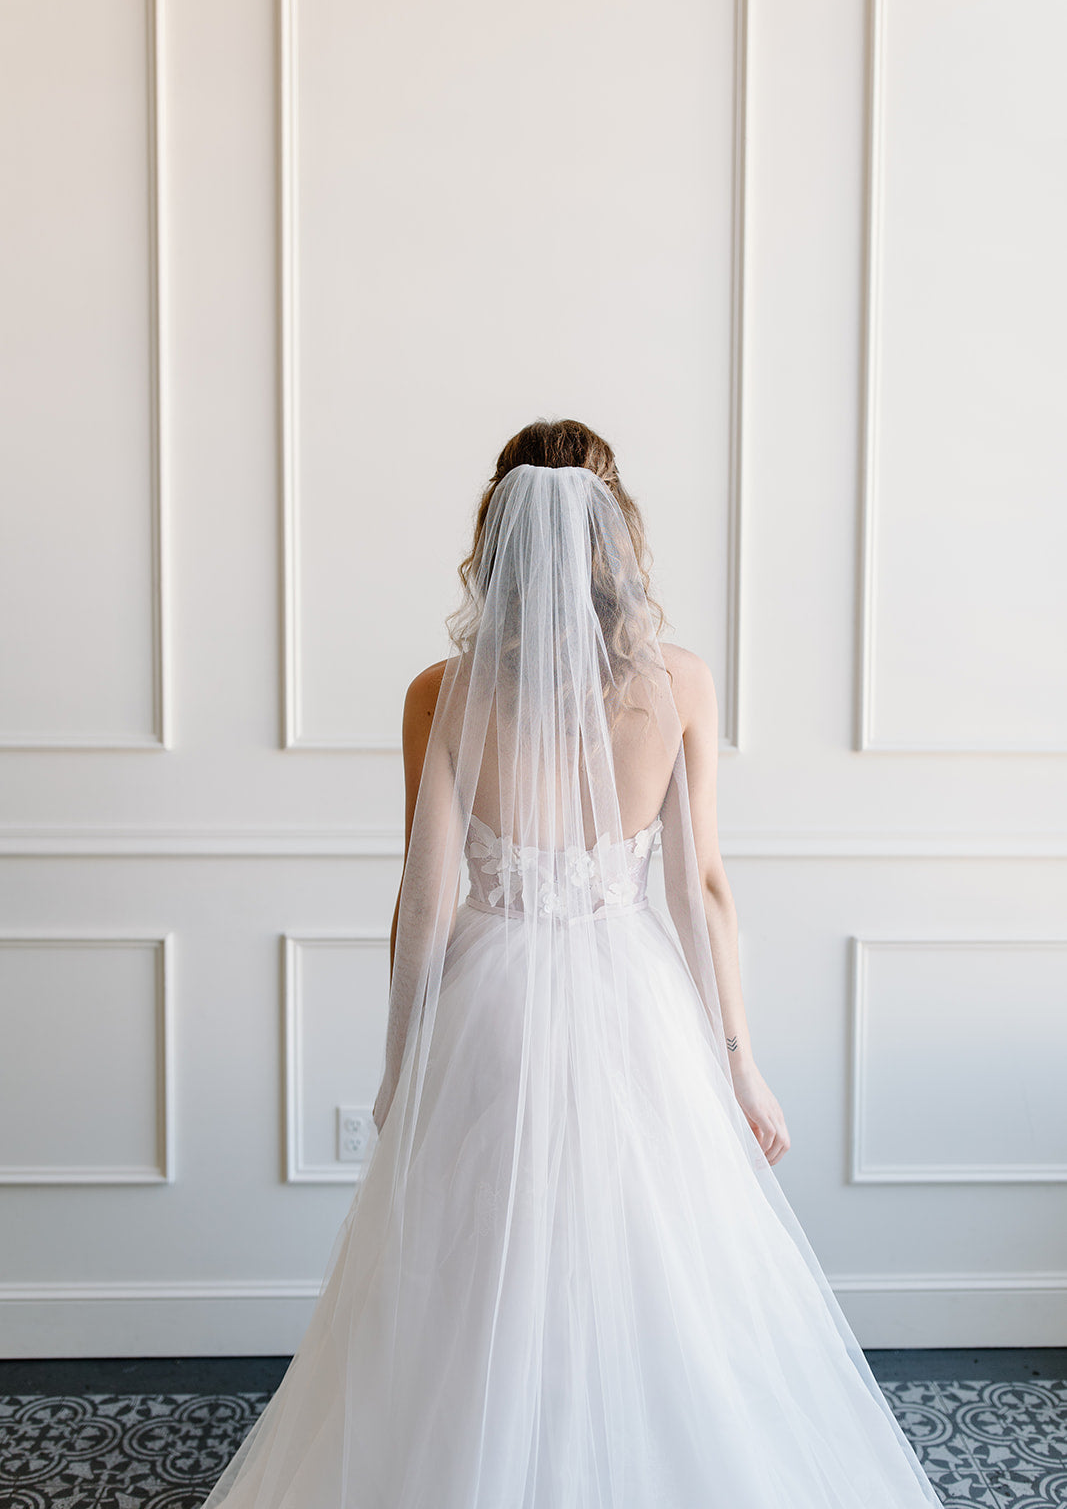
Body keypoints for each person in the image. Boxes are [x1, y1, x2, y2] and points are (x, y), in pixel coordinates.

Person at [200, 421, 943, 1508]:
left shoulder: (439, 692)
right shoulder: (679, 684)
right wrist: (736, 1062)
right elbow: (700, 893)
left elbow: (424, 902)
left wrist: (403, 1067)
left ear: (493, 536)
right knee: (651, 1270)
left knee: (476, 1278)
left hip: (487, 1012)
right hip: (631, 1001)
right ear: (616, 533)